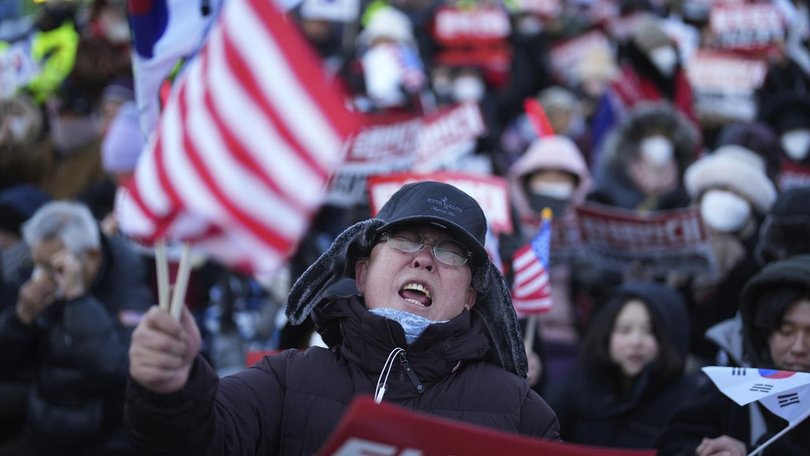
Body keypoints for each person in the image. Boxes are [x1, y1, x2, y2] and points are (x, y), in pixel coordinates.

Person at [126, 181, 561, 454]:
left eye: (450, 252)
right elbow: (196, 442)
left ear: (470, 296)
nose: (425, 261)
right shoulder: (285, 380)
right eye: (406, 240)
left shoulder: (522, 415)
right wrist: (172, 390)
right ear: (362, 272)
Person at [0, 201, 153, 455]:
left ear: (93, 257)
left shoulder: (127, 287)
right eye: (38, 265)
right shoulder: (42, 277)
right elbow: (9, 366)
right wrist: (21, 319)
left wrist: (77, 299)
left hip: (103, 435)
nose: (43, 277)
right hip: (44, 422)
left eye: (55, 268)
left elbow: (113, 370)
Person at [656, 255, 810, 455]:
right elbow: (672, 444)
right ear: (764, 333)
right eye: (786, 331)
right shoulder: (734, 387)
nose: (799, 347)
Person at [548, 281, 693, 449]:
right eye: (624, 330)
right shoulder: (577, 388)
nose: (636, 342)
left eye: (649, 330)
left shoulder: (687, 403)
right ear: (605, 333)